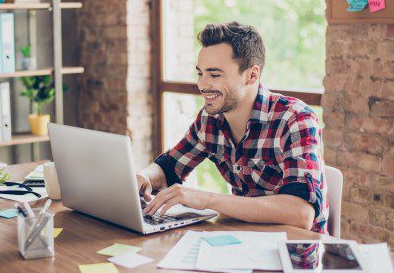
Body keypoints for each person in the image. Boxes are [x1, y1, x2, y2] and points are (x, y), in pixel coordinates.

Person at [138, 22, 328, 233]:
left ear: (252, 75)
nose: (203, 84)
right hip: (243, 241)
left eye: (215, 75)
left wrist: (206, 199)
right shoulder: (209, 120)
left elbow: (301, 214)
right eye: (200, 73)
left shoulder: (294, 119)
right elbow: (169, 166)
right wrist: (143, 177)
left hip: (296, 252)